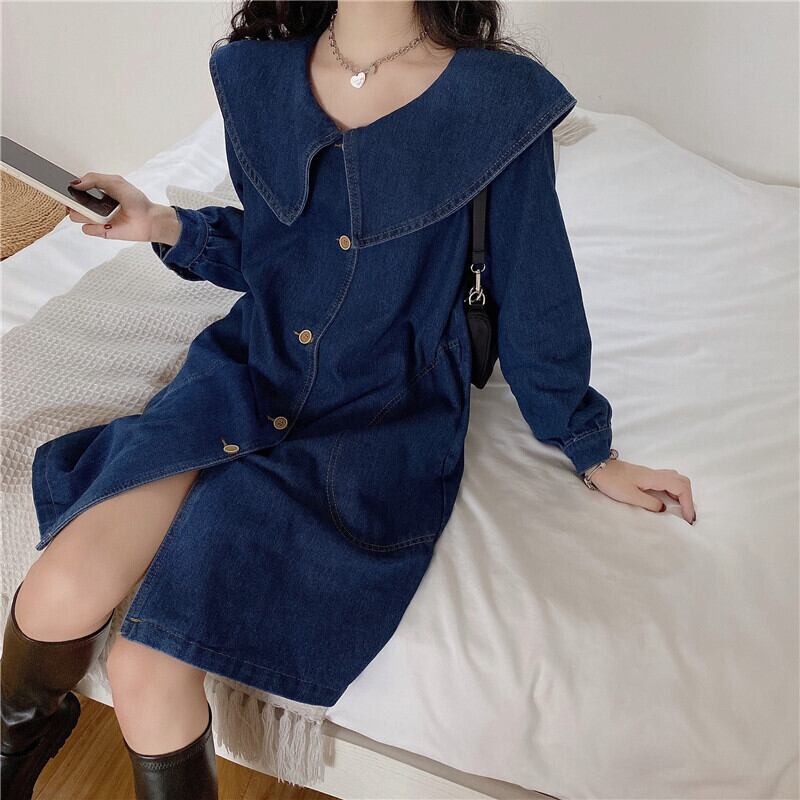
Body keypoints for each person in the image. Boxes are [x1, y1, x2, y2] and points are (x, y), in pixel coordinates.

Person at [1, 2, 696, 798]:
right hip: (248, 371)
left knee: (145, 668)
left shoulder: (501, 102)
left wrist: (589, 447)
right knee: (58, 595)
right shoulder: (257, 74)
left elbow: (537, 294)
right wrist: (162, 224)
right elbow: (274, 253)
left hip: (378, 416)